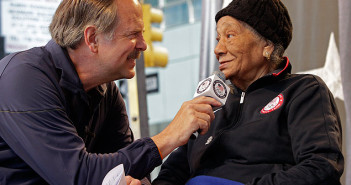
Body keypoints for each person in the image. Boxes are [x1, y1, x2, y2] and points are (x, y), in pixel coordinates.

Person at [0, 0, 221, 184]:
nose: (144, 45)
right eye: (134, 34)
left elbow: (132, 168)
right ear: (93, 39)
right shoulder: (23, 78)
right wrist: (169, 137)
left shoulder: (107, 92)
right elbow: (80, 177)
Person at [152, 0, 344, 184]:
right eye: (218, 39)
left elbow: (321, 167)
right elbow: (172, 173)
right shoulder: (210, 106)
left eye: (230, 36)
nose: (217, 49)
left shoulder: (303, 91)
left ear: (267, 45)